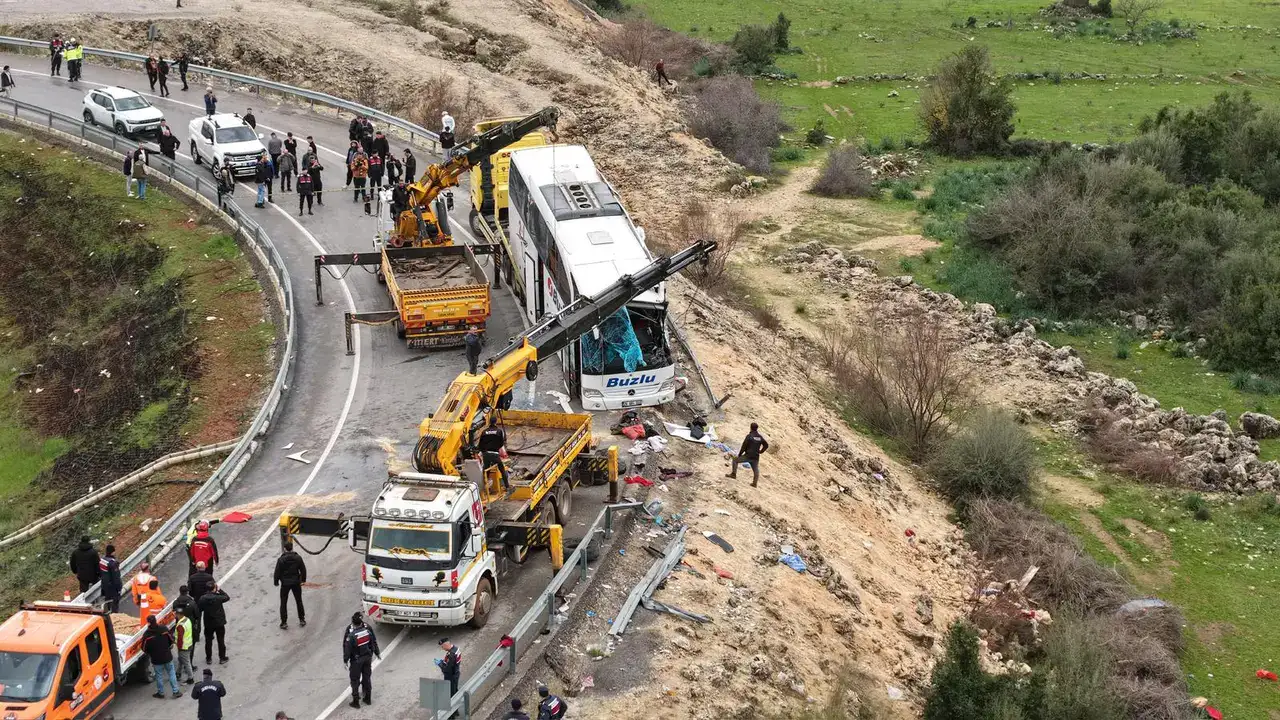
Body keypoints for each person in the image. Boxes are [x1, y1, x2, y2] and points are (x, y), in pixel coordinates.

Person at [343, 612, 380, 709]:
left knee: (354, 680)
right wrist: (377, 653)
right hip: (367, 658)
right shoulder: (367, 629)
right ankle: (368, 698)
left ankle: (356, 701)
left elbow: (346, 647)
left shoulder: (350, 633)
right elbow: (373, 642)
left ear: (353, 622)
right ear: (361, 621)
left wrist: (345, 660)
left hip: (356, 660)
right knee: (367, 677)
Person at [143, 615, 182, 699]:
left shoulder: (147, 635)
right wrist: (169, 646)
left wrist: (150, 653)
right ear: (156, 620)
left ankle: (161, 693)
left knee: (159, 676)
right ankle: (176, 691)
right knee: (171, 673)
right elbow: (171, 640)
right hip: (167, 656)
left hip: (156, 659)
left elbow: (144, 648)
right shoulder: (163, 629)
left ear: (148, 623)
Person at [273, 540, 307, 628]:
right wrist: (303, 580)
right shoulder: (298, 558)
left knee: (283, 602)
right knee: (299, 600)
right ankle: (302, 619)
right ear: (292, 548)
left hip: (285, 583)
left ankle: (284, 622)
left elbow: (277, 572)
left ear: (284, 549)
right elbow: (303, 570)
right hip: (296, 582)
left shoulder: (281, 559)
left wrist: (276, 581)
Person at [726, 421, 769, 487]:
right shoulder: (760, 437)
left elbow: (744, 446)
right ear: (757, 428)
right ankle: (754, 483)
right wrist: (761, 451)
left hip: (748, 455)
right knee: (756, 469)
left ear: (750, 428)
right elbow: (766, 445)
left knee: (735, 460)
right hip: (756, 457)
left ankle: (733, 474)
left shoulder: (749, 436)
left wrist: (740, 454)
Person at [198, 583, 230, 665]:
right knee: (221, 640)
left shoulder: (202, 599)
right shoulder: (218, 597)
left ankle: (209, 658)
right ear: (214, 589)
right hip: (219, 622)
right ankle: (222, 658)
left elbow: (200, 609)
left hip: (208, 623)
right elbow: (227, 597)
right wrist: (219, 590)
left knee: (208, 641)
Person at [477, 416, 510, 492]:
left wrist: (484, 451)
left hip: (486, 454)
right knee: (502, 470)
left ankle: (486, 489)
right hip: (495, 454)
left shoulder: (484, 431)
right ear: (496, 422)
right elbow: (501, 443)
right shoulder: (499, 431)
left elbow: (480, 445)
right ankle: (507, 487)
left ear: (489, 422)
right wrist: (496, 449)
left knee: (486, 471)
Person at [187, 561, 215, 641]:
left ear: (196, 568)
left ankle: (197, 636)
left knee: (197, 619)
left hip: (197, 600)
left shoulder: (192, 578)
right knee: (209, 618)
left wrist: (194, 595)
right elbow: (213, 587)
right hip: (207, 599)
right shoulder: (209, 577)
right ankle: (209, 634)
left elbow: (190, 590)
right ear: (204, 567)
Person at [174, 606, 196, 684]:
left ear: (179, 614)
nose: (175, 615)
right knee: (181, 660)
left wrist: (179, 647)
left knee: (186, 662)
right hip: (189, 644)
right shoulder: (187, 620)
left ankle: (190, 678)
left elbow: (180, 638)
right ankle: (178, 673)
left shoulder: (180, 625)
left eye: (176, 613)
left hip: (183, 647)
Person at [99, 544, 123, 612]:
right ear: (113, 552)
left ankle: (108, 615)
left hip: (104, 585)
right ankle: (114, 617)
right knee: (115, 603)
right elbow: (116, 577)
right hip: (113, 587)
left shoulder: (101, 561)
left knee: (107, 601)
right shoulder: (113, 563)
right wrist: (119, 588)